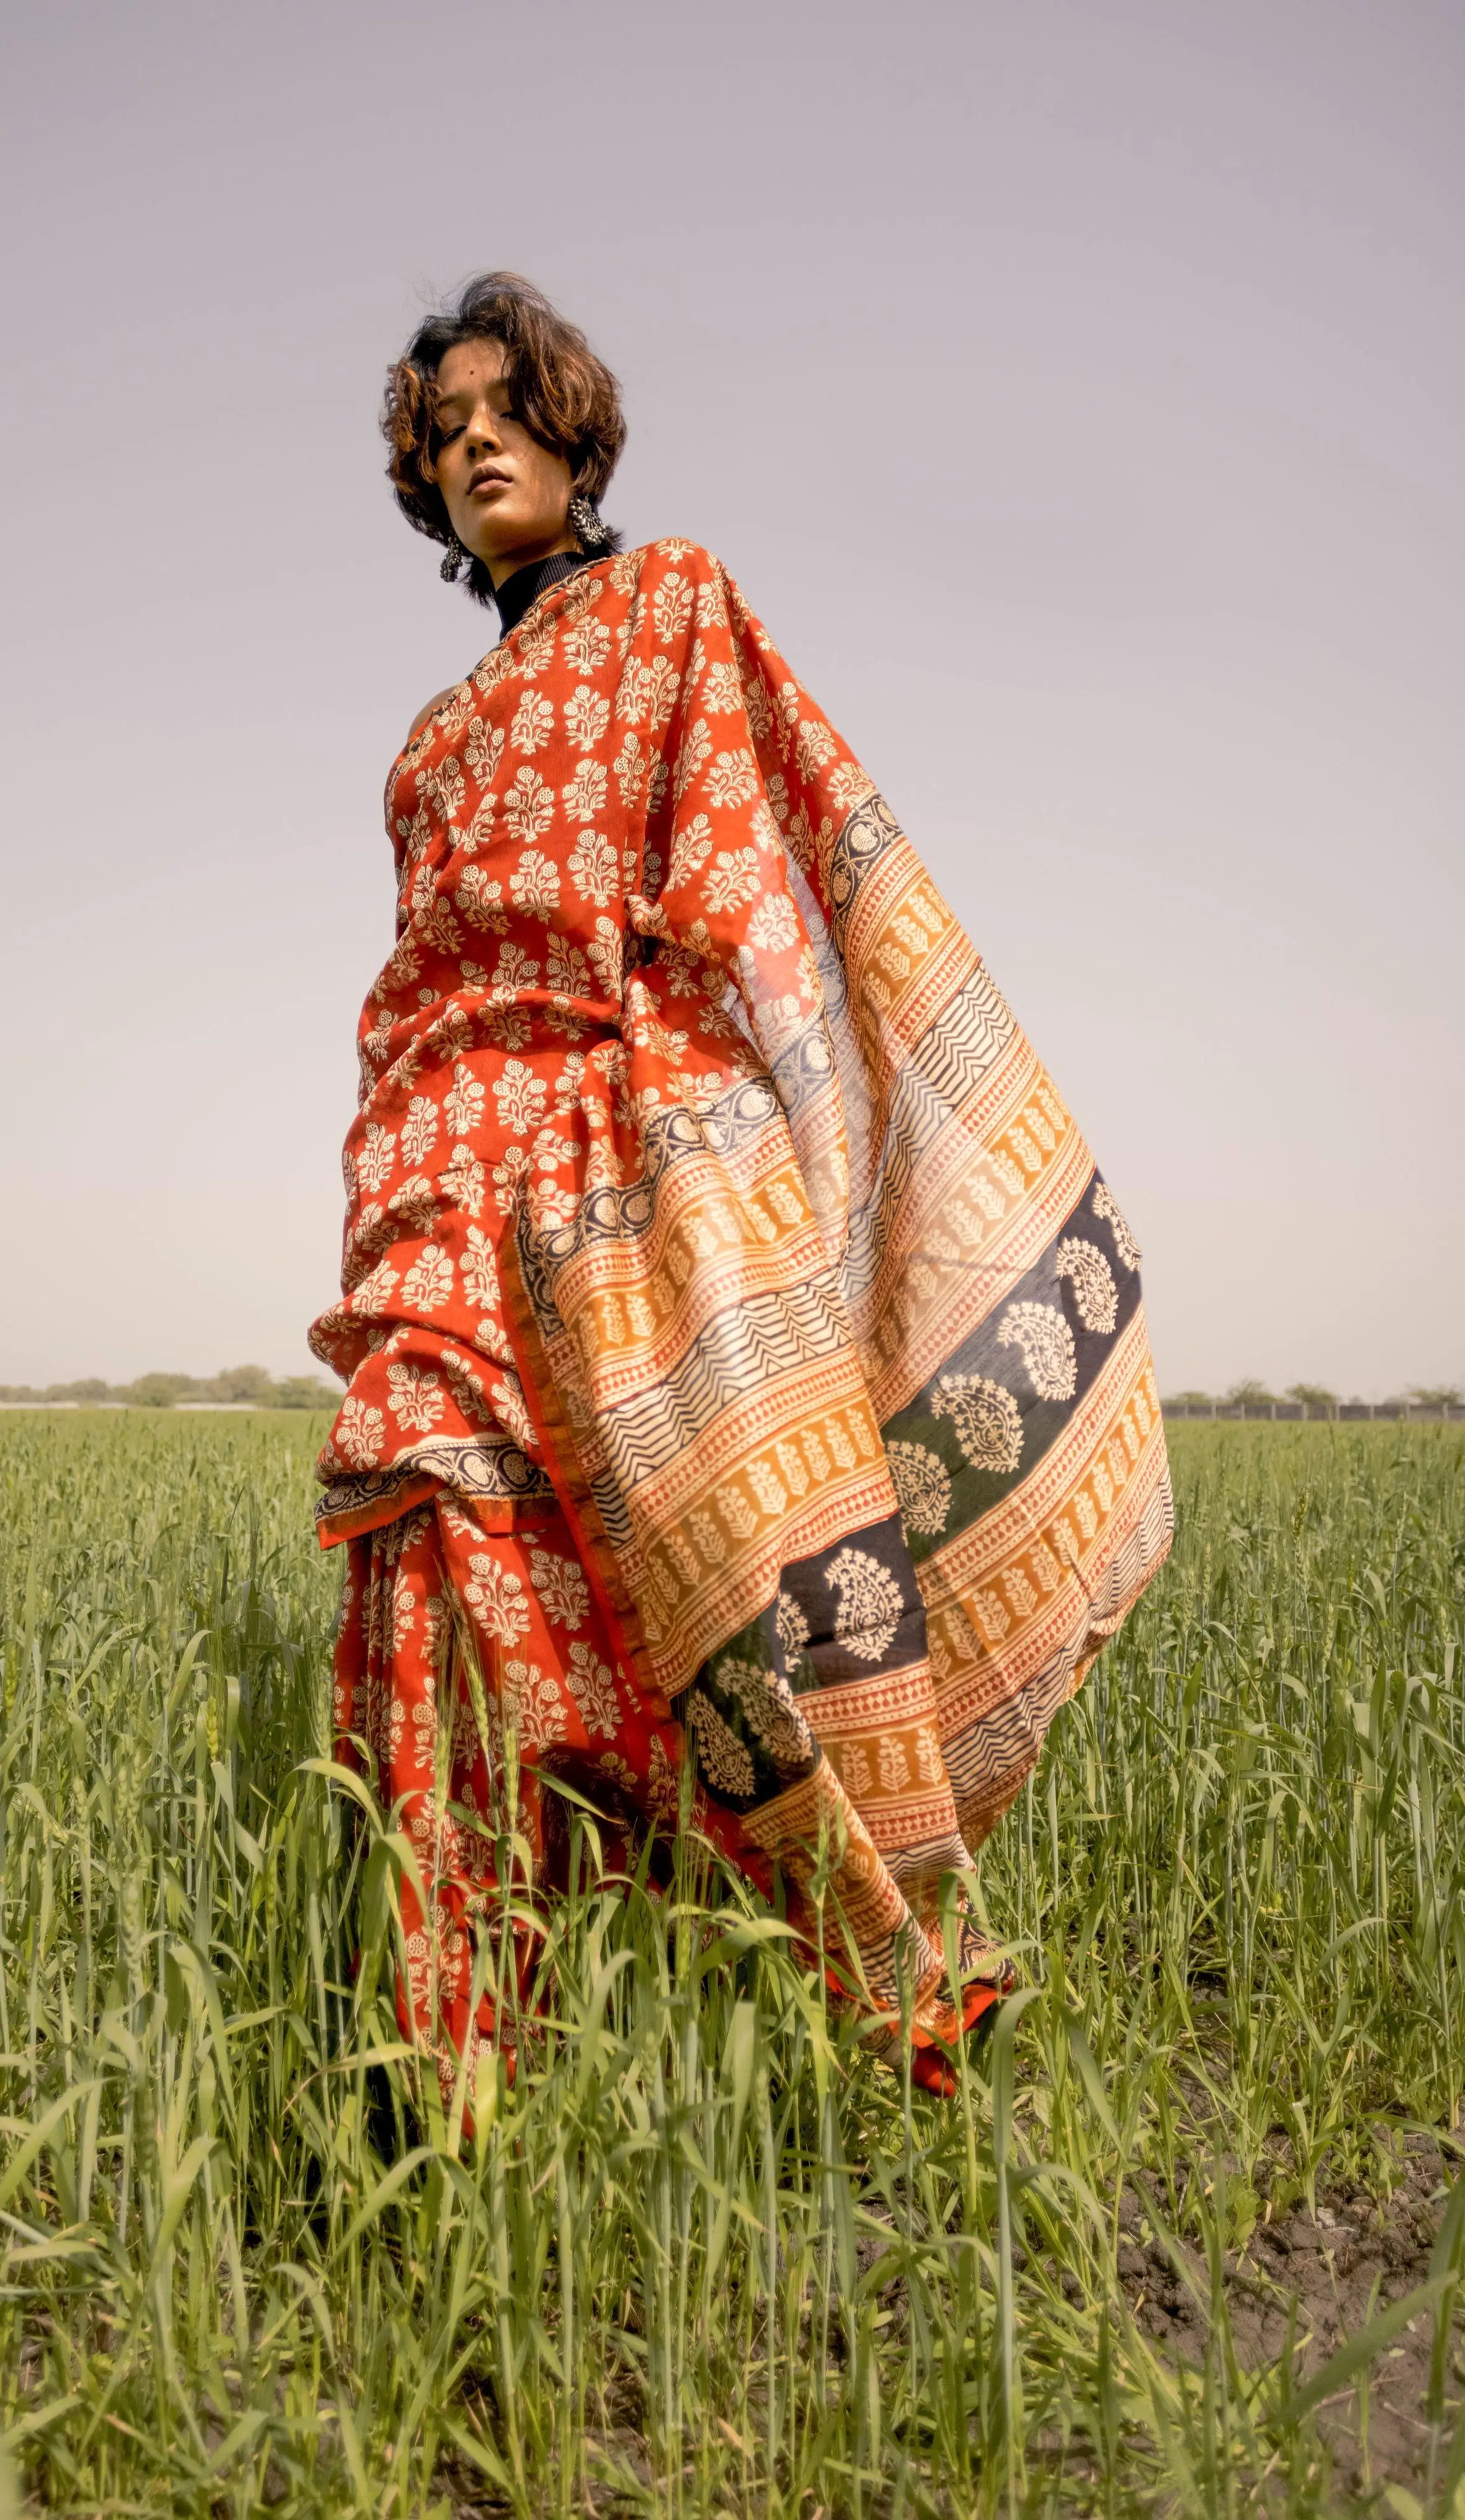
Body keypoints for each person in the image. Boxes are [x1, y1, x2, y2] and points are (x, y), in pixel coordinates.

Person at [309, 273, 1172, 2100]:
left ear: (569, 429)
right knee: (434, 1565)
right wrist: (403, 1154)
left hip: (621, 1164)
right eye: (439, 423)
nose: (472, 439)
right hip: (439, 1194)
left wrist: (709, 1158)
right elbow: (413, 985)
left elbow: (743, 882)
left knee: (737, 1587)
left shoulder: (669, 602)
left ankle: (867, 1973)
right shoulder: (427, 749)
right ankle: (453, 2071)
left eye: (503, 409)